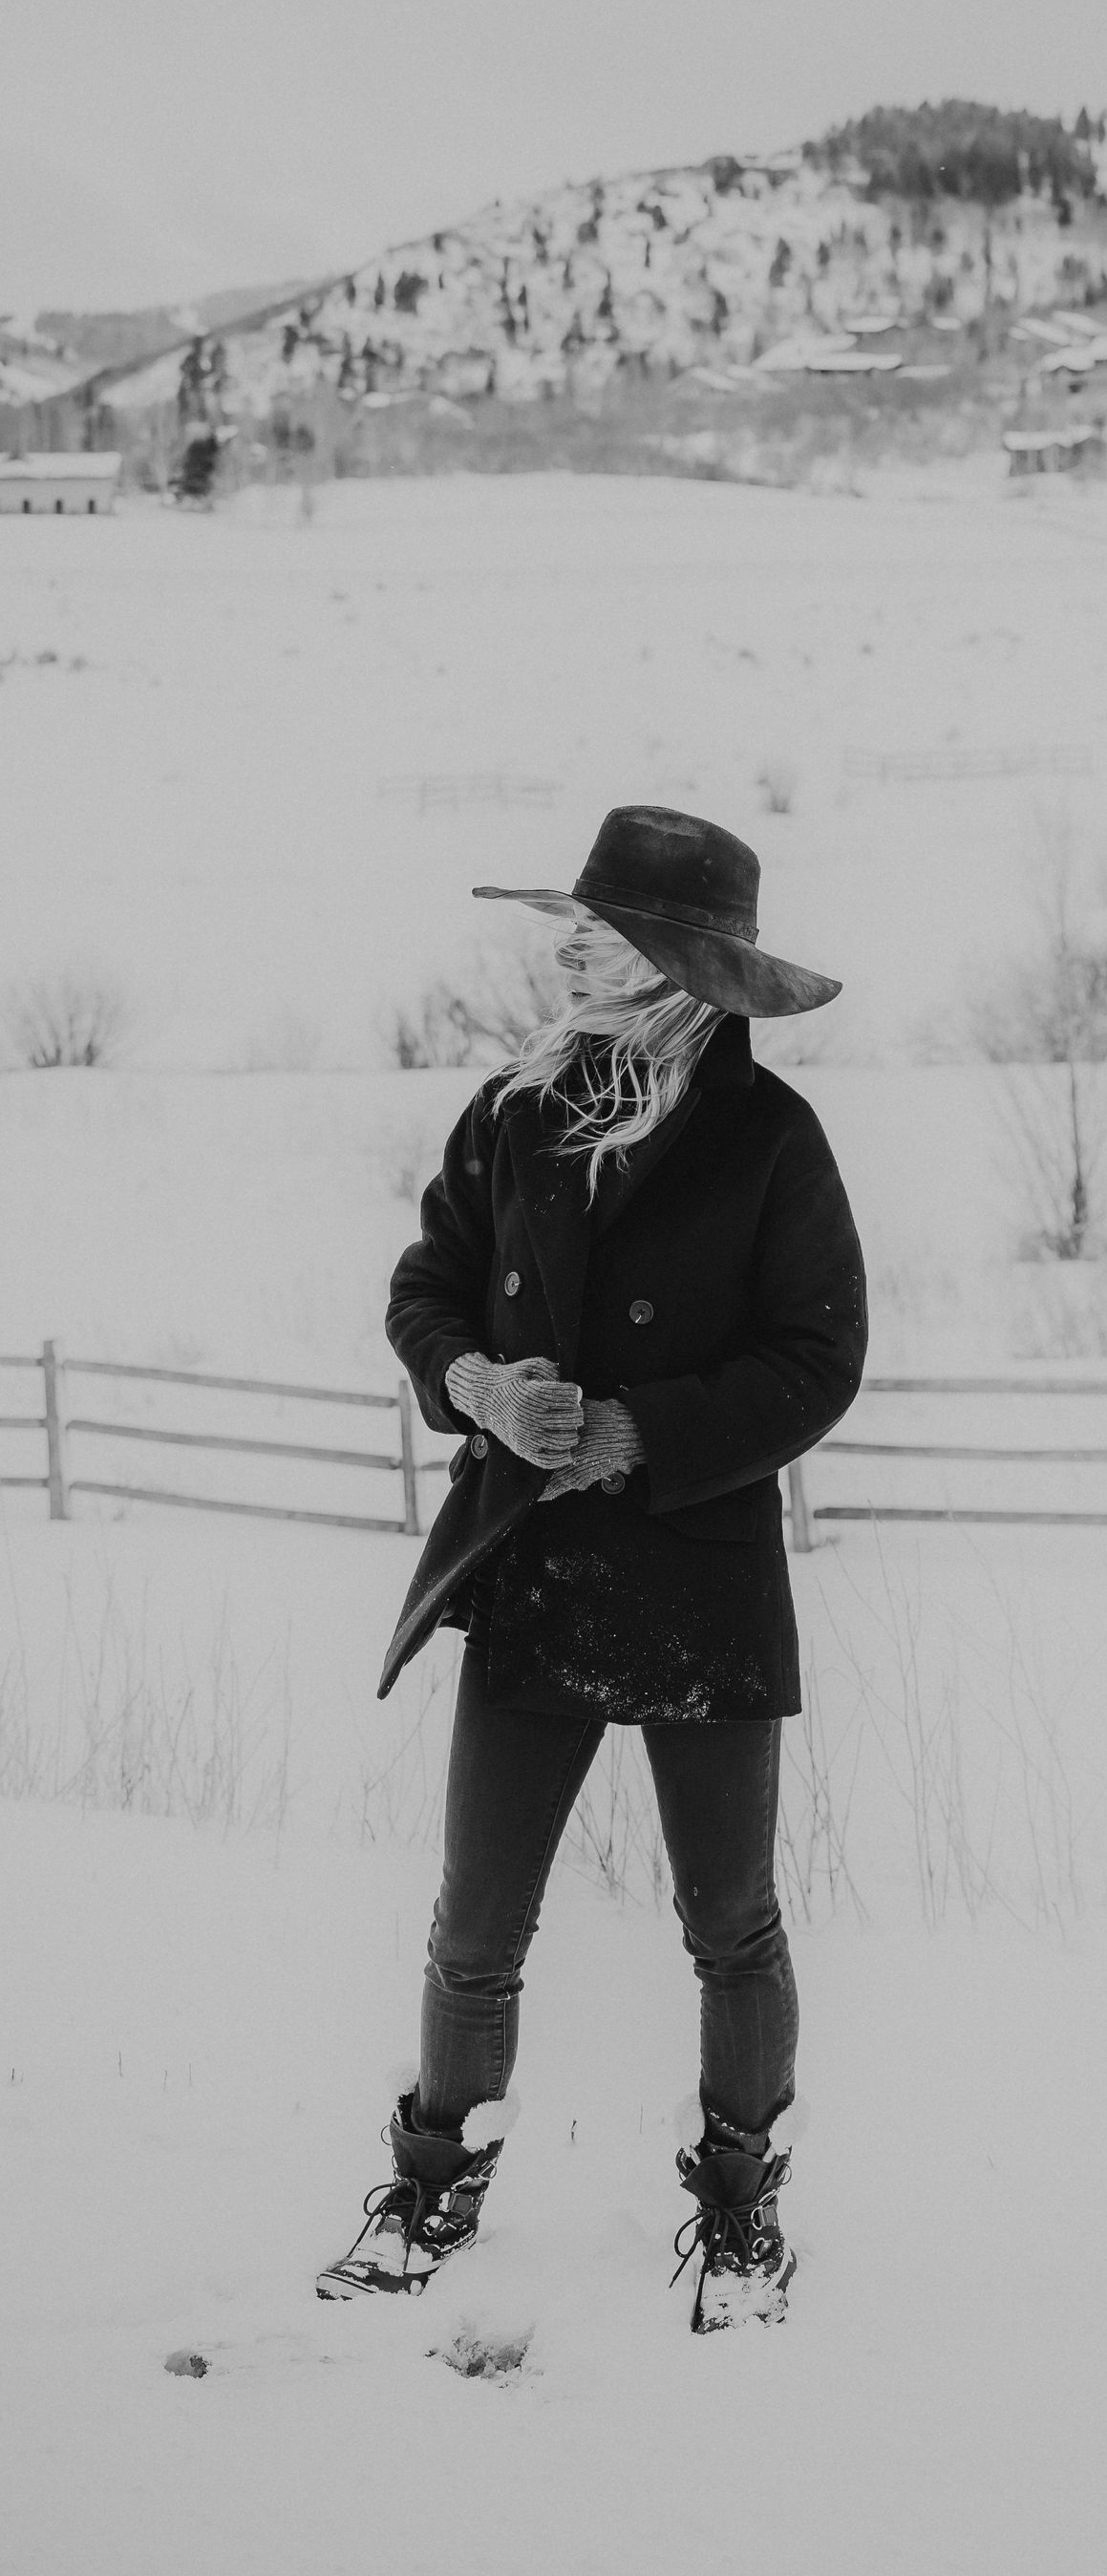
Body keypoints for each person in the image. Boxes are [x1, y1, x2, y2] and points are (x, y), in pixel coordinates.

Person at [317, 805, 867, 2331]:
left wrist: (640, 1432)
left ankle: (743, 2210)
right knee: (476, 1923)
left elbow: (820, 1359)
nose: (565, 951)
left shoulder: (773, 1139)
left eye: (597, 931)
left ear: (678, 965)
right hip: (536, 1566)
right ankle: (434, 2182)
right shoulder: (514, 1111)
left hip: (702, 1575)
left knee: (731, 1923)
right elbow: (425, 1287)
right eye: (568, 925)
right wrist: (479, 1387)